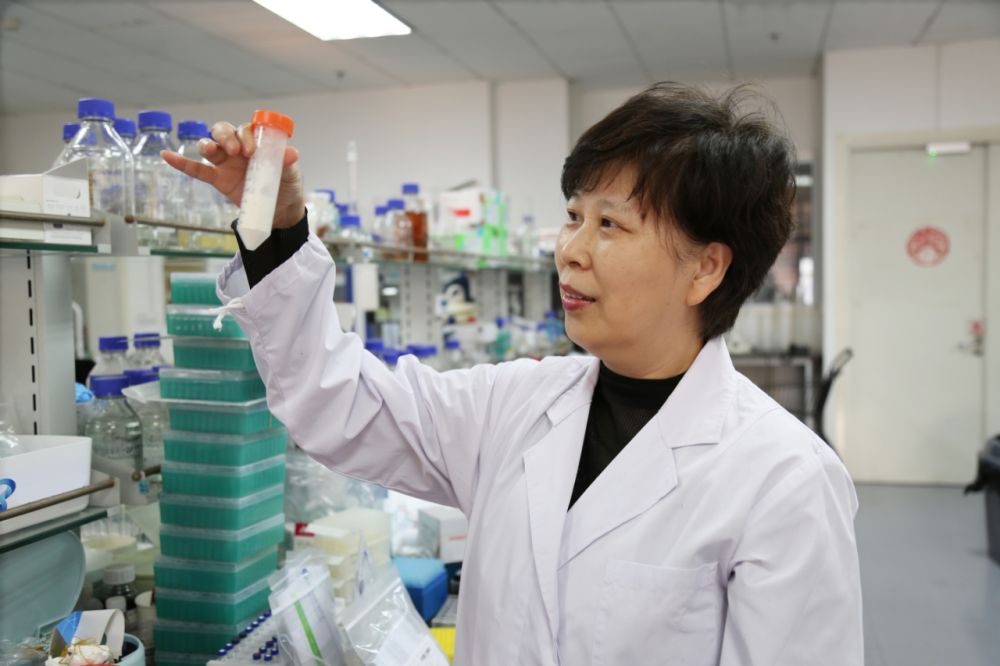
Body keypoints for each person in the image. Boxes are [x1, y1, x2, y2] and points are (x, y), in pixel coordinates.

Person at [164, 82, 863, 665]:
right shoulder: (514, 404)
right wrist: (276, 224)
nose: (571, 250)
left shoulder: (784, 479)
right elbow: (337, 400)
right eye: (573, 215)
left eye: (611, 225)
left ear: (706, 267)